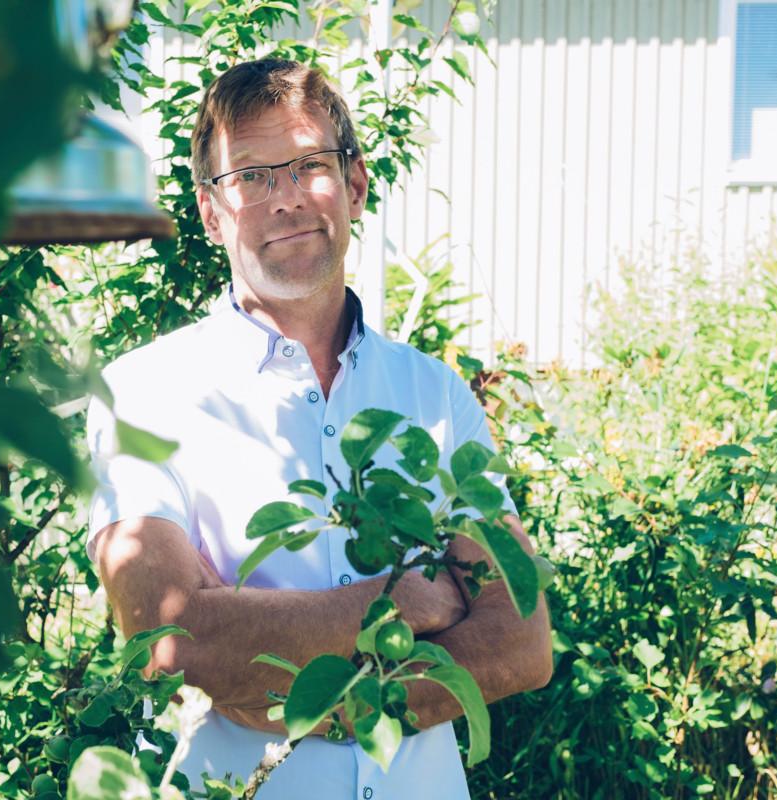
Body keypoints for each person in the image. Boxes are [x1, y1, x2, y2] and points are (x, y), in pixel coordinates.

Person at [86, 58, 552, 799]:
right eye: (252, 176)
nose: (287, 199)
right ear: (211, 213)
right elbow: (173, 638)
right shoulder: (142, 395)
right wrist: (410, 604)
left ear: (356, 184)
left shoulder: (434, 393)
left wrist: (318, 702)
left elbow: (521, 638)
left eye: (310, 166)